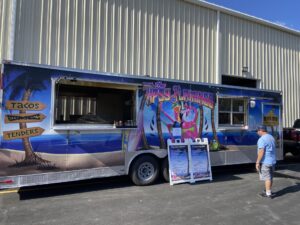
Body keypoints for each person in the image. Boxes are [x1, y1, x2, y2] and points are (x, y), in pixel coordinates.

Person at [256, 125, 276, 198]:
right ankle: (269, 190)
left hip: (266, 162)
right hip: (273, 161)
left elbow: (261, 151)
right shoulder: (271, 137)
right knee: (270, 177)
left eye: (257, 131)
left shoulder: (262, 139)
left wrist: (257, 162)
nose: (257, 132)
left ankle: (268, 193)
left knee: (267, 178)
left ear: (261, 130)